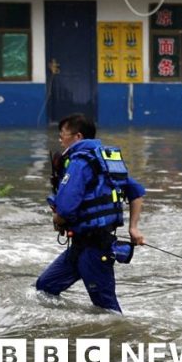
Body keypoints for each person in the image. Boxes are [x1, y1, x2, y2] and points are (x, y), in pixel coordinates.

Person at [36, 114, 145, 313]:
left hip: (95, 249)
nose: (60, 140)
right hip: (81, 246)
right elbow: (136, 192)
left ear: (77, 136)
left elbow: (66, 208)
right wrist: (133, 228)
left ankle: (120, 340)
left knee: (107, 309)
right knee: (45, 288)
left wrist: (57, 218)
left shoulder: (79, 162)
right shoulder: (105, 159)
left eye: (62, 135)